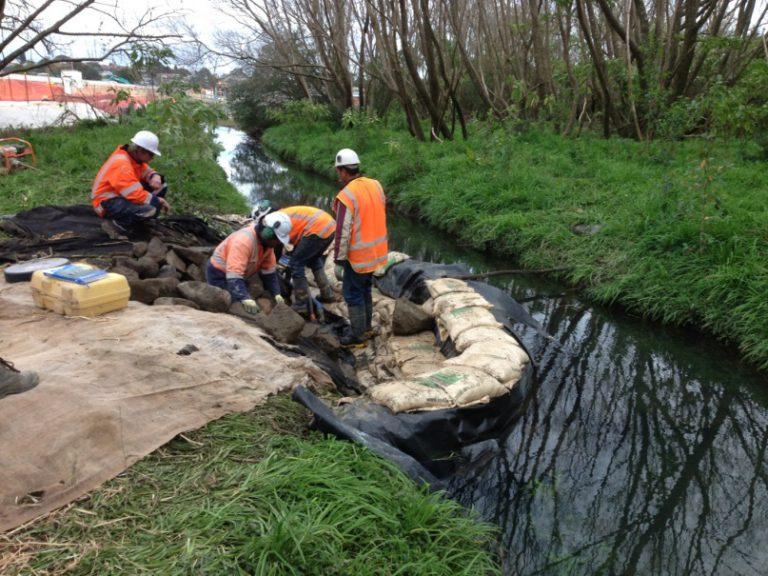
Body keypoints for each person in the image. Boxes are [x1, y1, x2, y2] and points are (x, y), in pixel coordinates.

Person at [332, 148, 388, 346]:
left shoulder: (347, 195)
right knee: (364, 290)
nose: (338, 175)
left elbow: (342, 232)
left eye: (338, 171)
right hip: (377, 252)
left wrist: (338, 260)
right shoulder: (376, 185)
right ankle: (366, 329)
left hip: (358, 256)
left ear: (343, 171)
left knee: (353, 294)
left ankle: (357, 337)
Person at [205, 211, 292, 314]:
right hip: (218, 274)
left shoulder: (267, 246)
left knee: (247, 300)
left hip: (238, 275)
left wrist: (276, 293)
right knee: (234, 305)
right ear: (268, 233)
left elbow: (270, 274)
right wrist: (244, 298)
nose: (278, 243)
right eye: (277, 239)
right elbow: (234, 276)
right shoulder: (243, 241)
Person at [91, 130, 171, 235]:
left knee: (161, 186)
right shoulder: (122, 164)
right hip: (106, 203)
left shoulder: (133, 158)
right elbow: (134, 194)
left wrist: (154, 176)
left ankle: (140, 220)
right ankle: (115, 226)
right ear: (140, 150)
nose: (152, 158)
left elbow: (145, 171)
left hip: (119, 195)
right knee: (149, 209)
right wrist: (158, 200)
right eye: (151, 154)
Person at [279, 206, 337, 316]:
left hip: (317, 228)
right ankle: (327, 295)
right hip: (329, 227)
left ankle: (302, 305)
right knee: (313, 260)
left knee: (296, 264)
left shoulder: (277, 222)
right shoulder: (282, 215)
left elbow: (279, 250)